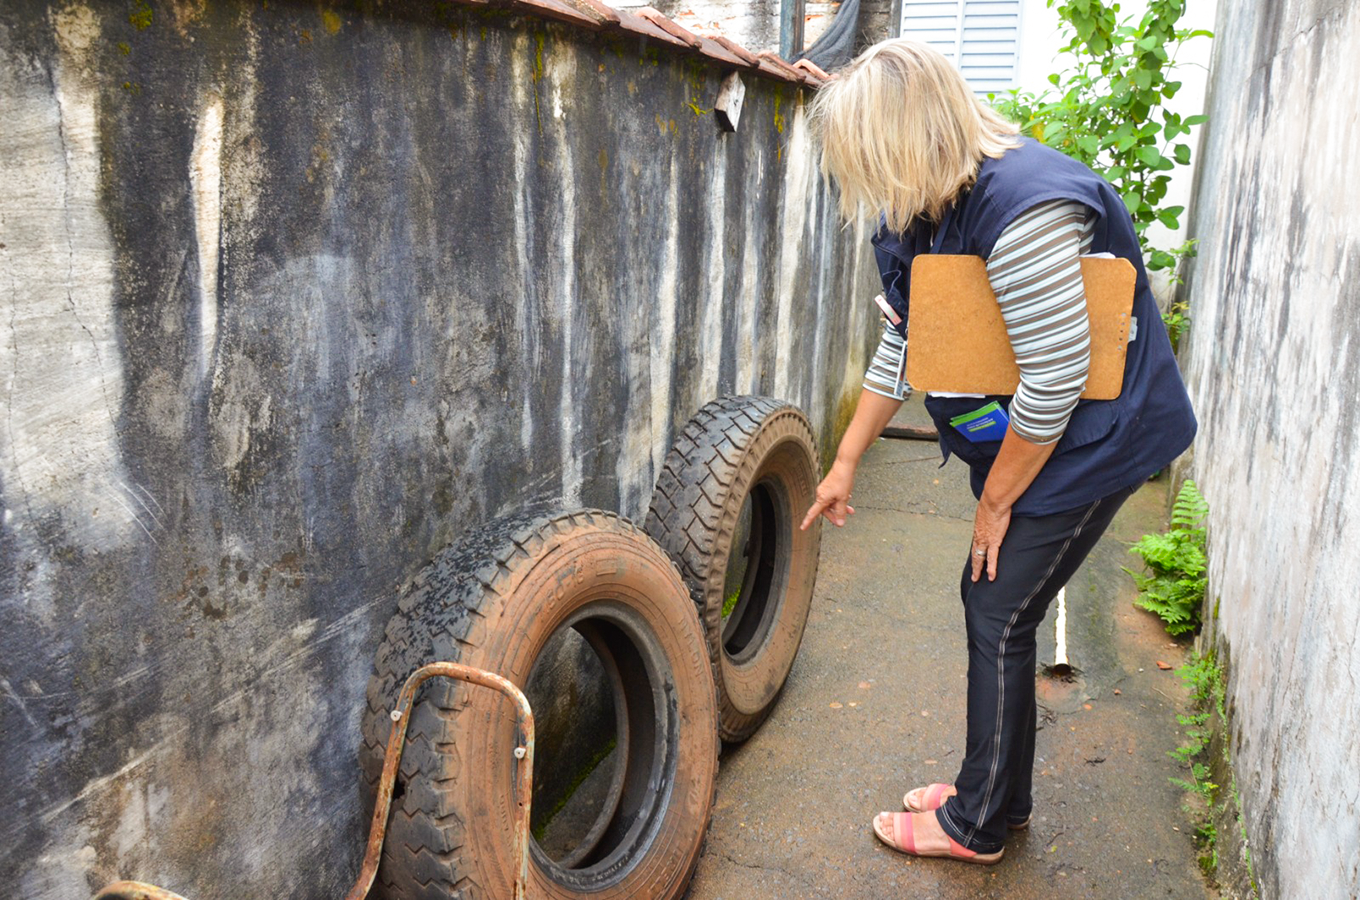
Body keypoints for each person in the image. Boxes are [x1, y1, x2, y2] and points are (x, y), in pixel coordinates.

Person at [800, 39, 1197, 865]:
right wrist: (843, 462)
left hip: (1097, 441)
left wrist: (994, 501)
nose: (869, 186)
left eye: (868, 161)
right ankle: (997, 797)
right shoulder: (930, 205)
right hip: (1045, 437)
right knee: (1001, 608)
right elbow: (910, 344)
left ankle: (975, 824)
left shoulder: (1023, 213)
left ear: (906, 139)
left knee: (998, 608)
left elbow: (1053, 382)